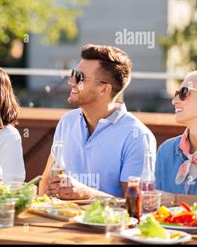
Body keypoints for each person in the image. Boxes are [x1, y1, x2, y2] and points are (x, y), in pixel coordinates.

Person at [38, 44, 156, 199]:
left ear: (104, 89)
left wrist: (87, 194)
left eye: (79, 77)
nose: (71, 82)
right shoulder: (67, 121)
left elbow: (135, 205)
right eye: (73, 73)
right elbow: (45, 185)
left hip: (108, 224)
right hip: (61, 220)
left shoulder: (138, 136)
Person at [155, 70, 197, 206]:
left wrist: (176, 199)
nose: (174, 101)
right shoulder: (166, 150)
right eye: (176, 94)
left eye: (184, 92)